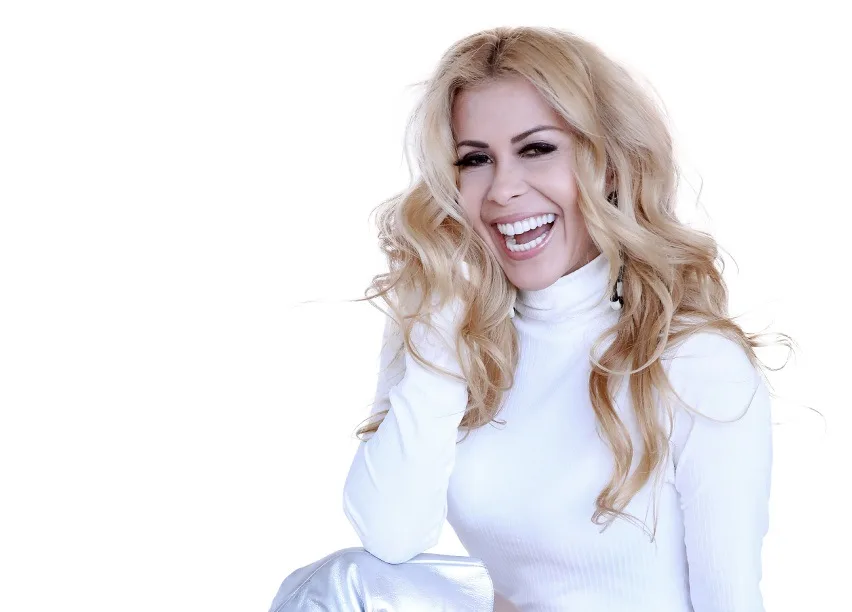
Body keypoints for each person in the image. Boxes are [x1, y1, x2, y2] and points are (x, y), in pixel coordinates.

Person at [341, 25, 792, 612]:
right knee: (344, 584)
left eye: (537, 149)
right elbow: (390, 537)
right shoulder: (445, 335)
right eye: (476, 159)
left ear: (610, 165)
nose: (503, 190)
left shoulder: (694, 362)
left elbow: (729, 600)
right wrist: (440, 332)